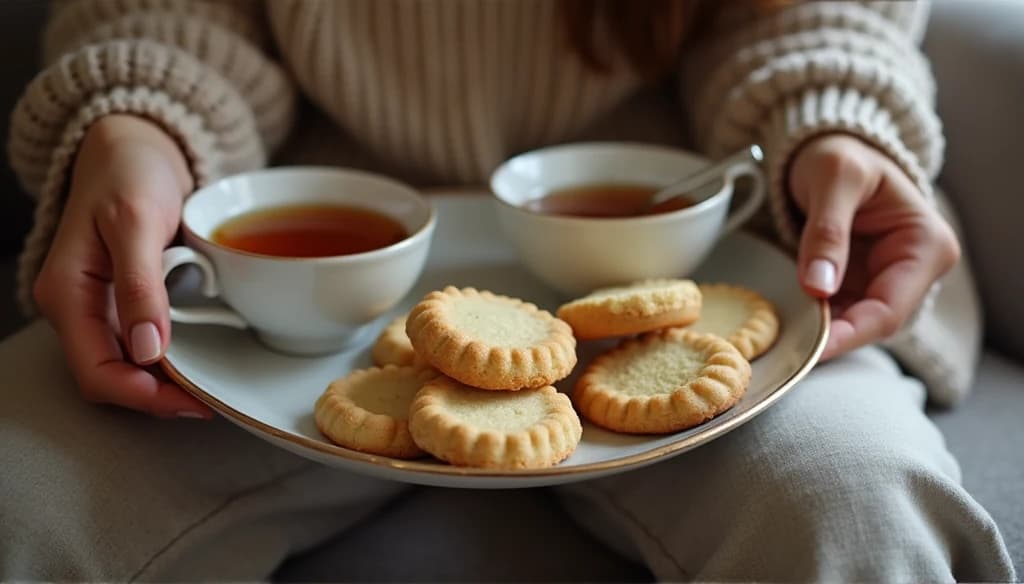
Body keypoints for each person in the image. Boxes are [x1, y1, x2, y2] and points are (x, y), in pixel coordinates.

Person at [1, 0, 1015, 580]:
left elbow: (810, 16)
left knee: (858, 505)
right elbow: (168, 14)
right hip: (294, 280)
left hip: (683, 253)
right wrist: (137, 125)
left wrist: (827, 124)